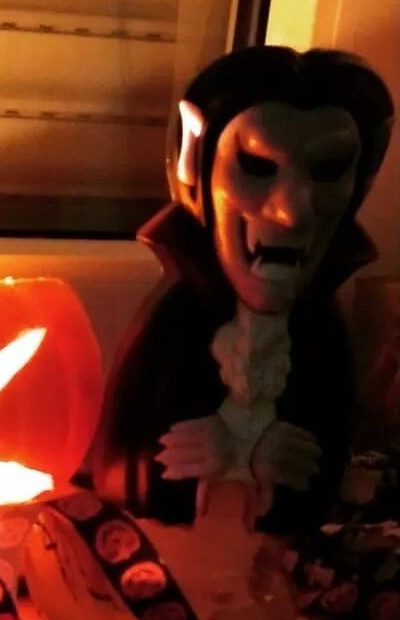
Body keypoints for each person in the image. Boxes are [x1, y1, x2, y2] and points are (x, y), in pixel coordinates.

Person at [90, 46, 393, 535]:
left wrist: (272, 458)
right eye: (255, 165)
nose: (293, 212)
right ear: (195, 159)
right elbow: (127, 465)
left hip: (274, 564)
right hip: (168, 554)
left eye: (329, 171)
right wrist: (212, 451)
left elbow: (325, 458)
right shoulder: (172, 328)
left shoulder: (324, 338)